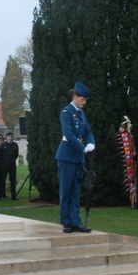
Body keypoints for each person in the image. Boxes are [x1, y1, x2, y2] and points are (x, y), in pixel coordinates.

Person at [57, 82, 95, 233]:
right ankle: (66, 221)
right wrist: (83, 148)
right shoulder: (66, 112)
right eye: (83, 99)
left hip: (78, 158)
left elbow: (88, 131)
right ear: (75, 97)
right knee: (65, 190)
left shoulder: (81, 113)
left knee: (75, 191)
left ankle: (76, 221)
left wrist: (91, 143)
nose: (84, 103)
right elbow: (69, 134)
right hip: (66, 156)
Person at [2, 132, 20, 200]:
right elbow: (1, 154)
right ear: (6, 137)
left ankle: (14, 195)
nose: (10, 137)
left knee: (13, 179)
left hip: (12, 164)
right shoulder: (3, 145)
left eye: (11, 136)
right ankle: (3, 194)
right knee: (3, 179)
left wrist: (12, 160)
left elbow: (16, 154)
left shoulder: (15, 145)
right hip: (4, 165)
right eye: (9, 136)